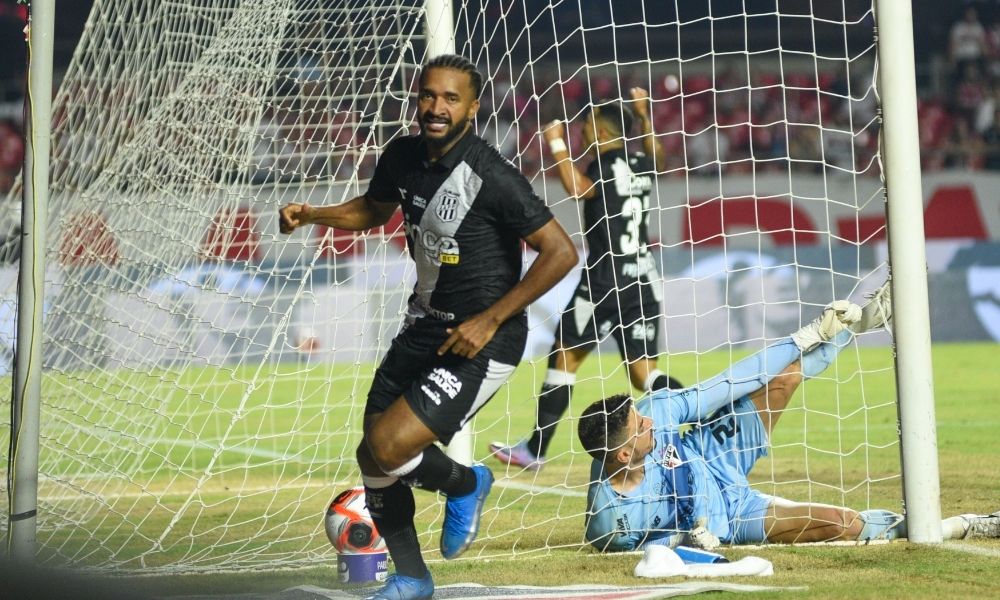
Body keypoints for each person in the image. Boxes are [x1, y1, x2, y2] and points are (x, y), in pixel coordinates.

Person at [278, 54, 577, 600]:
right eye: (429, 96)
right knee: (373, 455)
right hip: (424, 326)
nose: (437, 108)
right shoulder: (403, 155)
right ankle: (413, 577)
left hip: (484, 340)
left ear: (472, 107)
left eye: (451, 98)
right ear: (418, 99)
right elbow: (374, 209)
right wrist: (313, 213)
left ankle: (468, 483)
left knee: (390, 446)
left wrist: (489, 319)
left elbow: (560, 252)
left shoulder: (493, 176)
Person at [577, 281, 1000, 551]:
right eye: (640, 426)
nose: (648, 420)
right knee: (838, 524)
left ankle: (860, 324)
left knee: (781, 380)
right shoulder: (608, 518)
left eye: (642, 415)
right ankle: (956, 526)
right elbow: (637, 551)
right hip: (734, 515)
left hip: (712, 454)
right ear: (622, 454)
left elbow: (731, 382)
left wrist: (807, 335)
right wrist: (683, 539)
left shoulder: (659, 412)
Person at [489, 87, 682, 471]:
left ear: (604, 131)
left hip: (605, 280)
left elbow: (579, 189)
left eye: (586, 126)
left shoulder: (606, 164)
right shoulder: (641, 161)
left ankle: (535, 450)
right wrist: (644, 115)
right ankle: (700, 421)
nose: (582, 133)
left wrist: (556, 144)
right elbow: (659, 157)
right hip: (643, 276)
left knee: (564, 357)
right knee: (646, 374)